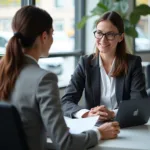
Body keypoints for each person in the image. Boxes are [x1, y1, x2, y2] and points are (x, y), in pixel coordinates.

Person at [0, 6, 120, 150]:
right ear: (44, 36)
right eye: (53, 34)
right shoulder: (43, 79)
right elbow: (65, 143)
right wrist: (99, 133)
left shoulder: (5, 70)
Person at [61, 11, 148, 122]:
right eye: (99, 33)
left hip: (124, 124)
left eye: (110, 34)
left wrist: (112, 113)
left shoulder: (132, 63)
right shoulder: (85, 63)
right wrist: (88, 114)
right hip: (94, 125)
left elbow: (139, 103)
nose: (103, 39)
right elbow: (66, 101)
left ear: (121, 37)